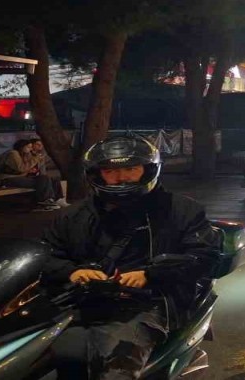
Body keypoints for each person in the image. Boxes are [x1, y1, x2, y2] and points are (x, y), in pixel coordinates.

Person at [42, 135, 221, 380]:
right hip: (79, 300)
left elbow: (205, 256)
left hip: (149, 303)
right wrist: (72, 272)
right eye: (110, 171)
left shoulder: (181, 210)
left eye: (130, 169)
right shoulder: (73, 216)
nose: (121, 177)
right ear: (97, 174)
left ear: (148, 170)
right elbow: (45, 254)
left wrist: (150, 275)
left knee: (116, 365)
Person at [0, 137, 66, 210]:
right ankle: (44, 201)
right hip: (9, 179)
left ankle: (57, 199)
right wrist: (35, 159)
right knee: (43, 180)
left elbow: (26, 169)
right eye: (29, 147)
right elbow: (21, 168)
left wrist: (30, 169)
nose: (30, 149)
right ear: (22, 147)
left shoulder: (25, 154)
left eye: (31, 147)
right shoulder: (13, 153)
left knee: (51, 179)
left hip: (21, 177)